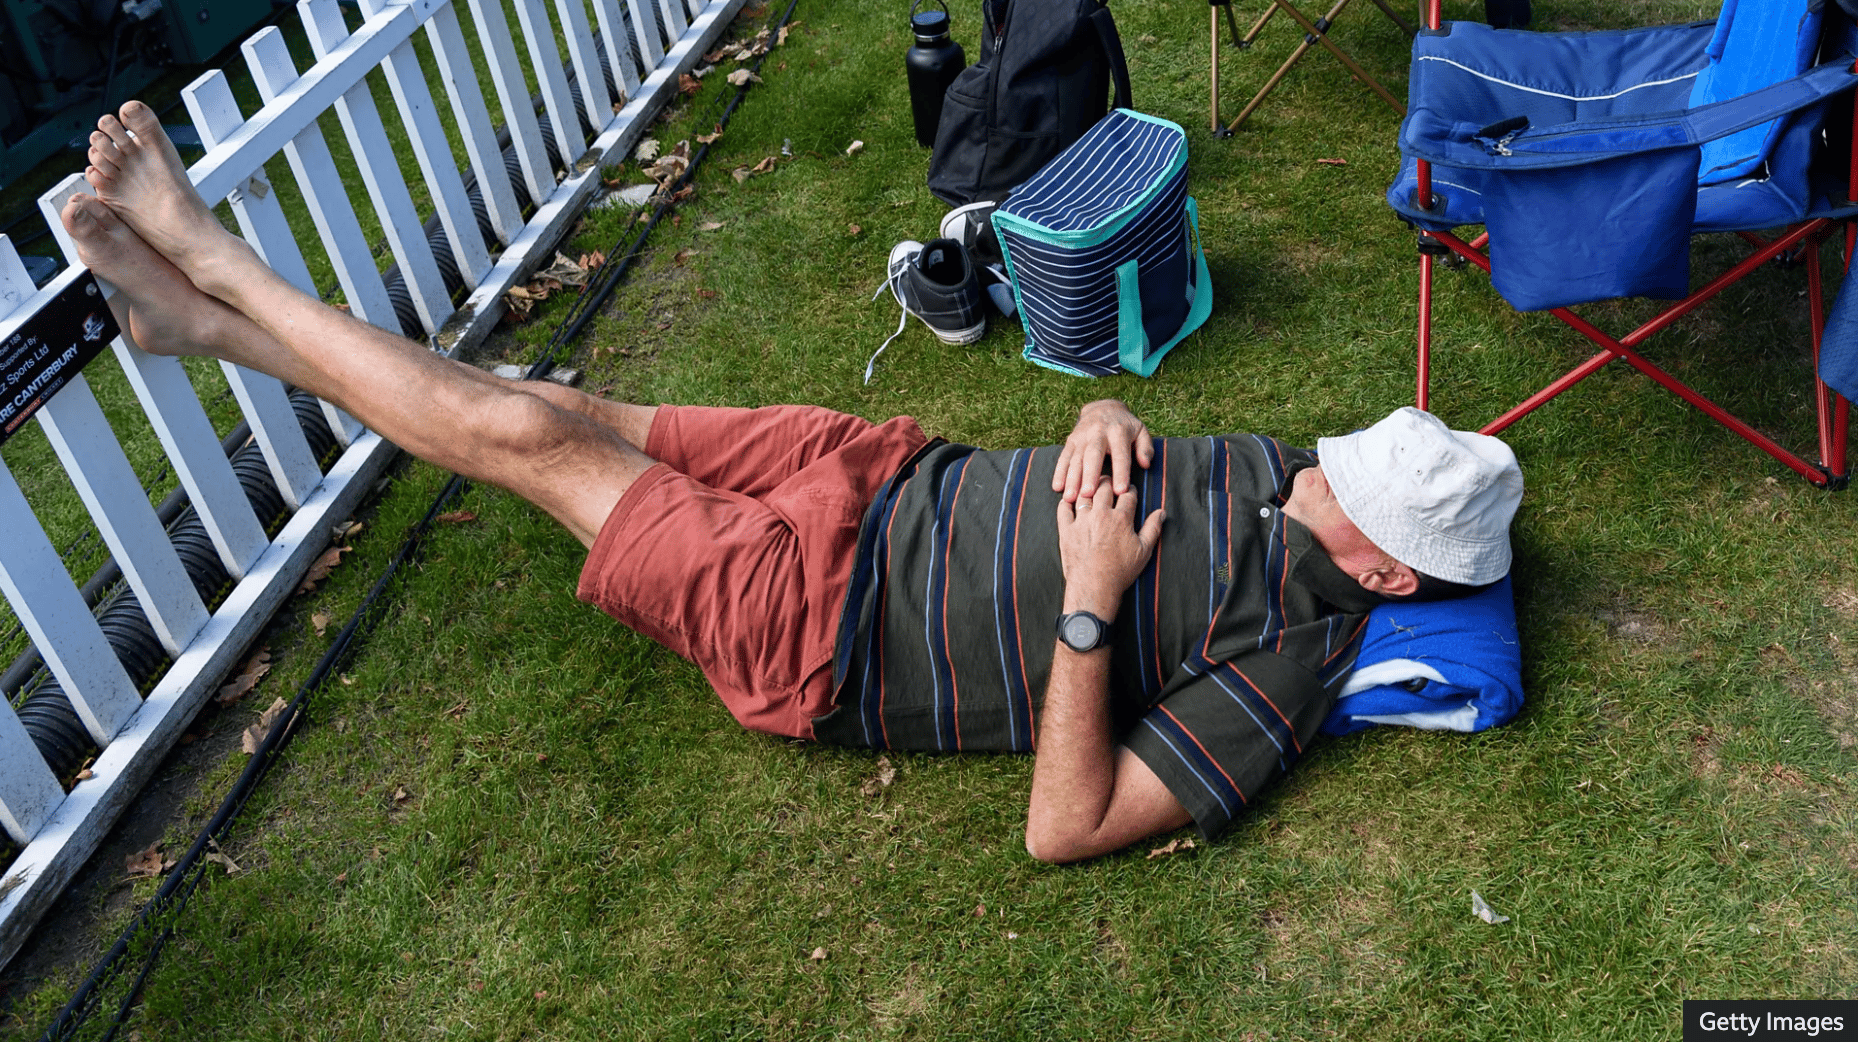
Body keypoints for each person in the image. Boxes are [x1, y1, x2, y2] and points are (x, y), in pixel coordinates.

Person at [61, 102, 1526, 864]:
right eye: (1344, 456)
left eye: (1350, 494)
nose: (1317, 471)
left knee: (522, 441)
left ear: (1386, 573)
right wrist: (1102, 408)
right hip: (871, 470)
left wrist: (1090, 607)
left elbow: (1064, 827)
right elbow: (1139, 431)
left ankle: (215, 262)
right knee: (557, 405)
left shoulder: (1288, 660)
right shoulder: (1296, 473)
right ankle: (200, 330)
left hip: (821, 625)